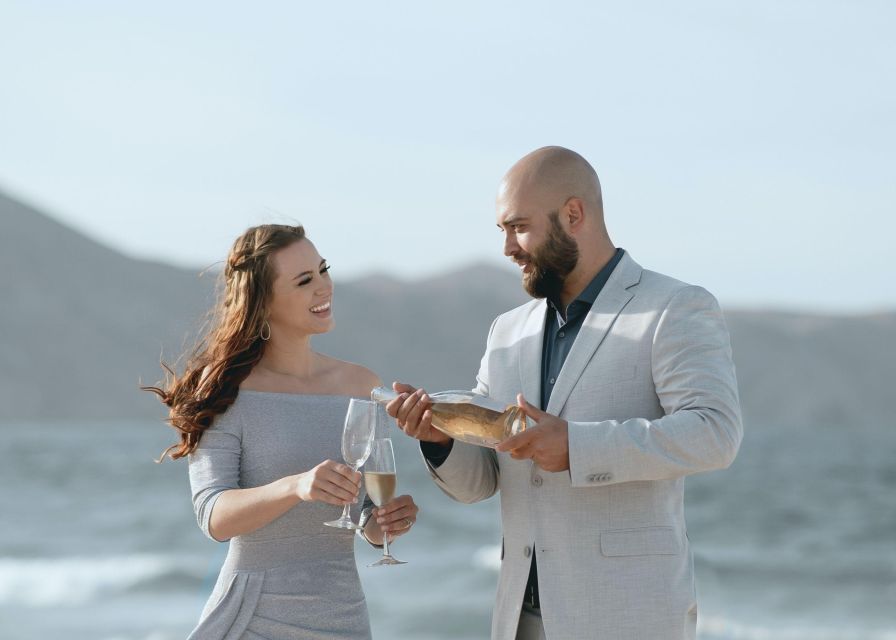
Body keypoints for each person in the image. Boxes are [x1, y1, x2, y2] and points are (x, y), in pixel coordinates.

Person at [386, 147, 743, 640]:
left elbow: (715, 433)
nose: (508, 247)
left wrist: (577, 446)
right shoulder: (506, 331)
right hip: (520, 617)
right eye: (502, 231)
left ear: (574, 214)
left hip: (628, 614)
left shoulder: (675, 307)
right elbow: (482, 481)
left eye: (519, 227)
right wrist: (439, 439)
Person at [146, 224, 418, 639]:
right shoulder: (225, 391)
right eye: (304, 280)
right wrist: (296, 486)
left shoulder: (361, 385)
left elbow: (359, 513)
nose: (323, 287)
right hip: (253, 616)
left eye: (323, 270)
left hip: (343, 614)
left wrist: (382, 524)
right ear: (264, 301)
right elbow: (213, 517)